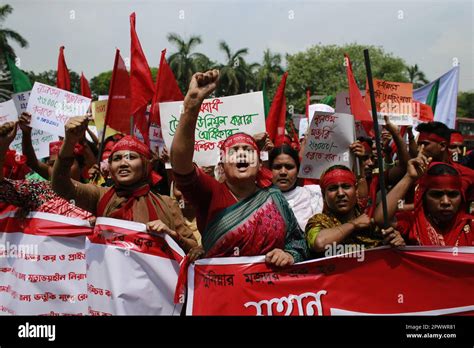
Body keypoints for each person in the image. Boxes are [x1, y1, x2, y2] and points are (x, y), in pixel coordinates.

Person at [170, 70, 308, 266]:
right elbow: (181, 165)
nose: (242, 153)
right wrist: (191, 106)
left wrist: (289, 255)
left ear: (260, 163)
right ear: (222, 164)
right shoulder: (210, 193)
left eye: (248, 150)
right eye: (234, 151)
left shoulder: (275, 198)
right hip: (221, 291)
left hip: (271, 293)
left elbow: (298, 242)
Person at [51, 116, 197, 252]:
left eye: (131, 157)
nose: (123, 163)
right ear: (110, 167)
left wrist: (170, 235)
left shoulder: (167, 204)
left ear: (146, 165)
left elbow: (193, 248)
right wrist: (69, 142)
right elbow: (60, 185)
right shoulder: (99, 195)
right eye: (117, 159)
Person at [374, 155, 473, 246]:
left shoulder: (471, 224)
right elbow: (381, 218)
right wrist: (409, 177)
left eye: (453, 195)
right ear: (423, 197)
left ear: (462, 197)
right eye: (436, 195)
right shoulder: (412, 221)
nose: (446, 202)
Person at [305, 165, 403, 257]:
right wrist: (354, 224)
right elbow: (320, 243)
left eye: (346, 186)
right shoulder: (318, 222)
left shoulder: (373, 221)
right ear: (323, 195)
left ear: (356, 190)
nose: (340, 193)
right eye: (333, 188)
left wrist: (395, 242)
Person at [0, 121, 92, 219]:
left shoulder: (94, 195)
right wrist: (3, 147)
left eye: (68, 164)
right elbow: (3, 187)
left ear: (82, 166)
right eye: (53, 165)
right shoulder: (41, 192)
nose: (60, 169)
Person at [269, 144, 323, 231]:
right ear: (269, 170)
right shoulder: (261, 200)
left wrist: (353, 158)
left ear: (298, 170)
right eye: (277, 167)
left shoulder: (314, 194)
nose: (283, 172)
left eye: (289, 167)